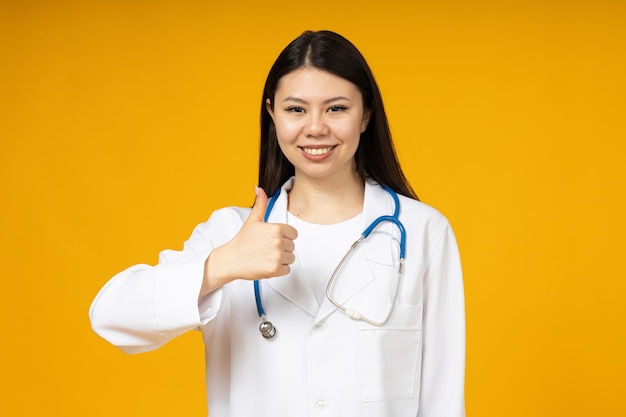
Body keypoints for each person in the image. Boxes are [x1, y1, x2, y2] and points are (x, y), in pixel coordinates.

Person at [90, 30, 465, 417]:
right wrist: (221, 265)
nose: (316, 128)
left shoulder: (422, 231)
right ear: (272, 114)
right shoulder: (229, 233)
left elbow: (442, 395)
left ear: (366, 113)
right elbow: (110, 318)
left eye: (336, 108)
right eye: (296, 109)